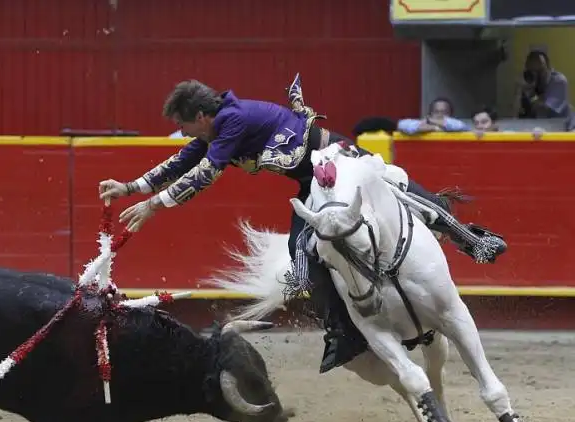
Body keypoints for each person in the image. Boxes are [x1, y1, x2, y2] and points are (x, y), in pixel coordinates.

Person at [97, 75, 507, 374]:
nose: (183, 132)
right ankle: (343, 332)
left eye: (184, 125)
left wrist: (155, 205)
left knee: (400, 189)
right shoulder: (220, 126)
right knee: (302, 260)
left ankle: (470, 238)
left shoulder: (232, 121)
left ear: (201, 116)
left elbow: (206, 172)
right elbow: (186, 159)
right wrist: (132, 186)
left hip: (339, 160)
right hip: (310, 185)